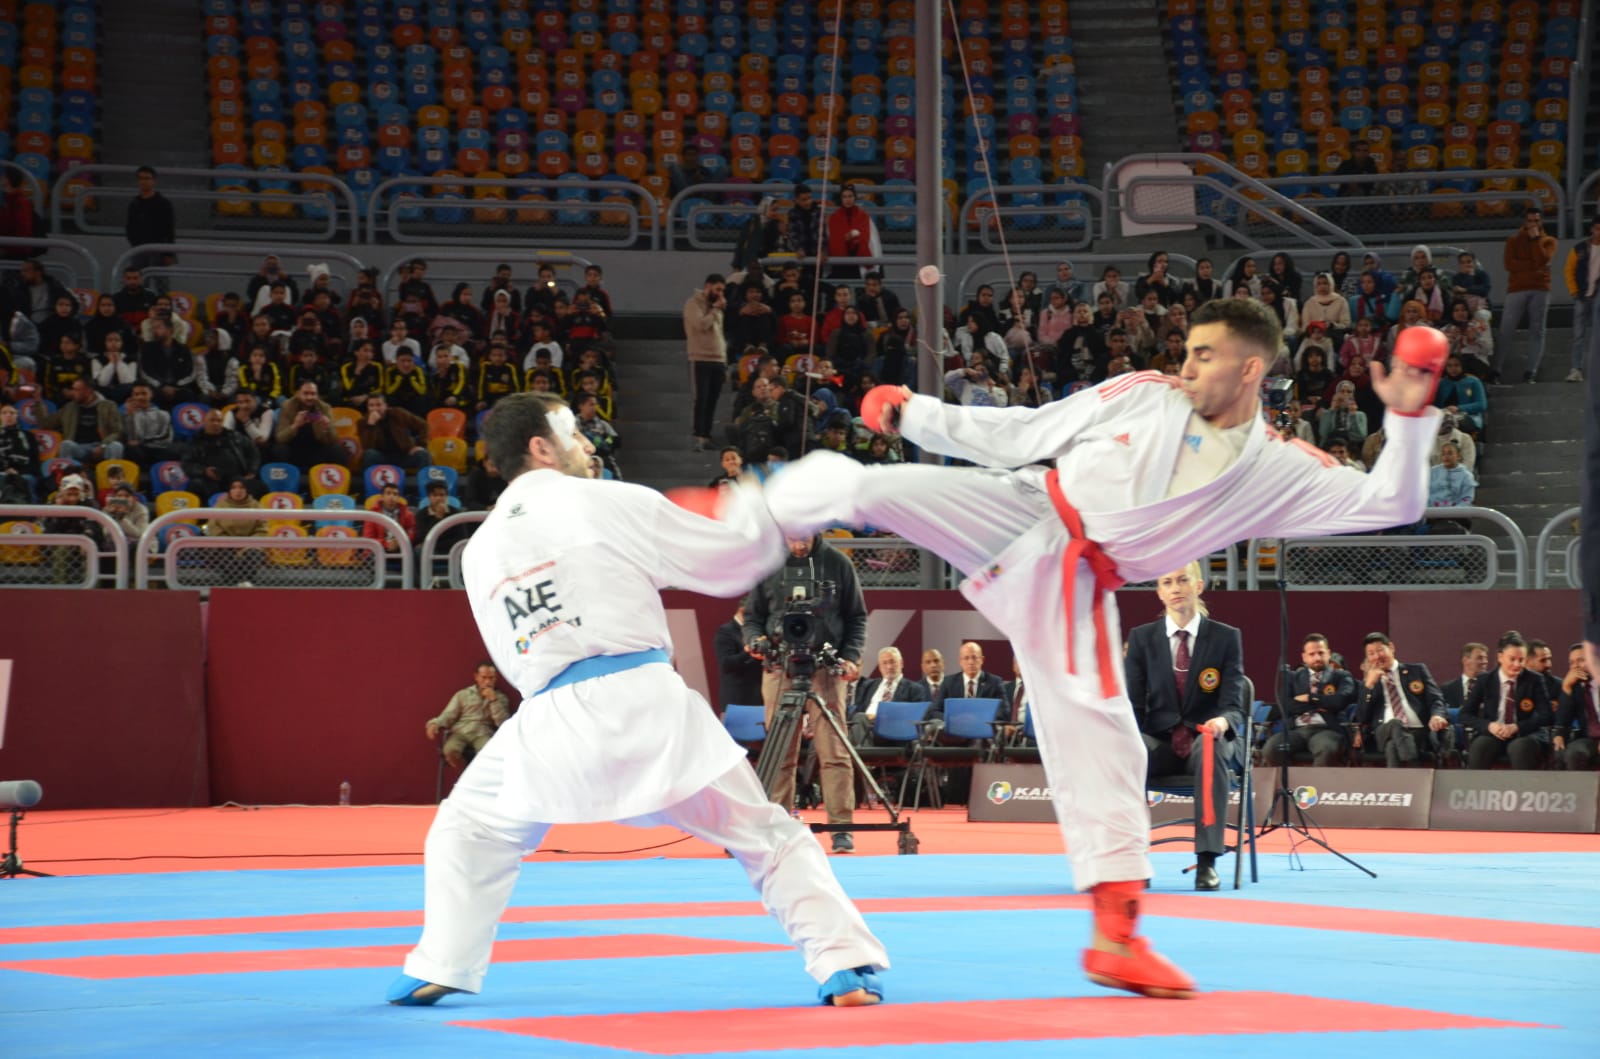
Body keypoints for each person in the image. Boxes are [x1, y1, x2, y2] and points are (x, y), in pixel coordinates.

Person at [759, 297, 1445, 999]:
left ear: (1251, 368)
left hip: (1079, 578)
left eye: (1204, 355)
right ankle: (732, 523)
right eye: (1186, 351)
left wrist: (1409, 417)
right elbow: (1027, 429)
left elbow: (1391, 504)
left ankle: (1117, 937)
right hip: (1024, 502)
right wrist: (914, 414)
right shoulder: (1145, 392)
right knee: (867, 484)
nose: (1185, 367)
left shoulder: (1277, 467)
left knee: (1108, 737)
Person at [388, 391, 887, 1009]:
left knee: (468, 829)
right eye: (574, 433)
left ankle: (442, 961)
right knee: (766, 835)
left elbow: (510, 653)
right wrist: (767, 503)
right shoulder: (604, 500)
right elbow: (730, 559)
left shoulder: (480, 547)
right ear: (541, 447)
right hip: (642, 702)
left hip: (547, 717)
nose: (588, 444)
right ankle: (842, 963)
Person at [743, 532, 868, 853]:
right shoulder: (768, 563)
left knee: (834, 751)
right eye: (791, 537)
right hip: (780, 664)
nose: (798, 545)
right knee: (780, 752)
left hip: (826, 666)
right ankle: (777, 829)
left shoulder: (838, 563)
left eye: (803, 537)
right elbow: (752, 617)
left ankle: (841, 828)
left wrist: (850, 656)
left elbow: (856, 617)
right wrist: (755, 640)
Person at [1124, 562, 1245, 891]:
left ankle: (1206, 861)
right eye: (1167, 582)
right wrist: (1125, 740)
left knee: (1210, 748)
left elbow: (1233, 705)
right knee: (1126, 752)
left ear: (1199, 586)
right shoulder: (1141, 639)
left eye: (1182, 580)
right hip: (1160, 742)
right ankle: (1132, 858)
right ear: (1159, 592)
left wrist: (1222, 721)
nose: (1175, 587)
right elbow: (1133, 706)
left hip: (1208, 739)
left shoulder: (1225, 637)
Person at [1459, 630, 1552, 770]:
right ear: (1500, 657)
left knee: (1521, 747)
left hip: (1525, 734)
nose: (1517, 664)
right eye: (1512, 659)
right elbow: (1465, 714)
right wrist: (1489, 726)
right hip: (1494, 734)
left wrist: (1516, 727)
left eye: (1521, 660)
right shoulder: (1485, 680)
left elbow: (1547, 715)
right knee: (1480, 747)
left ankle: (1523, 784)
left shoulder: (1535, 680)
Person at [1263, 633, 1357, 767]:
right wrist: (1323, 703)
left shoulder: (1341, 676)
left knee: (1327, 749)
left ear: (1329, 653)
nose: (1317, 658)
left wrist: (1309, 698)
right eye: (1312, 654)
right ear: (1304, 657)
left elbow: (1340, 701)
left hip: (1326, 730)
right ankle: (1291, 780)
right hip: (1297, 731)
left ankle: (1317, 782)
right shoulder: (1293, 678)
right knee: (1272, 748)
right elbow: (1286, 706)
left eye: (1321, 653)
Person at [1496, 208, 1557, 383]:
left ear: (1541, 222)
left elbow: (1543, 260)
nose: (1533, 224)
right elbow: (1509, 264)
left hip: (1540, 289)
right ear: (1525, 222)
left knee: (1537, 331)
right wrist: (1534, 266)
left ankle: (1531, 371)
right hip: (1516, 289)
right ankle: (1495, 370)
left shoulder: (1549, 241)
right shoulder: (1513, 241)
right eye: (1530, 220)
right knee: (1506, 330)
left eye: (1536, 221)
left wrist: (1536, 241)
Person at [427, 662, 512, 770]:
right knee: (450, 751)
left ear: (496, 678)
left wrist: (493, 700)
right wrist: (435, 723)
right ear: (476, 677)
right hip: (461, 732)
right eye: (484, 677)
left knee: (488, 753)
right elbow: (448, 714)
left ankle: (478, 775)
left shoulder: (501, 698)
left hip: (483, 733)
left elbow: (503, 723)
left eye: (491, 678)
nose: (487, 681)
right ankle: (466, 774)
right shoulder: (463, 694)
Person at [684, 274, 727, 451]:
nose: (720, 294)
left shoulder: (717, 308)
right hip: (700, 357)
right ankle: (698, 436)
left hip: (718, 359)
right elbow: (701, 325)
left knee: (712, 399)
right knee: (701, 399)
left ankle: (707, 435)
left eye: (722, 291)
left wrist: (724, 360)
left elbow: (720, 335)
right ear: (708, 286)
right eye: (717, 289)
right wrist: (715, 310)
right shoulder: (693, 304)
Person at [1563, 215, 1600, 384]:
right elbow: (1569, 270)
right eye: (1597, 229)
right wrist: (1574, 291)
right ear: (1592, 229)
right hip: (1582, 296)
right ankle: (1576, 369)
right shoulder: (1579, 249)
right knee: (1578, 334)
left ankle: (1594, 369)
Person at [124, 166, 176, 280]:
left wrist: (169, 253)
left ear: (154, 181)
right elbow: (129, 226)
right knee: (140, 281)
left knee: (160, 282)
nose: (144, 181)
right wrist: (135, 243)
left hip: (158, 249)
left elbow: (170, 229)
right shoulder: (134, 203)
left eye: (147, 178)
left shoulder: (164, 203)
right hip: (139, 249)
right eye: (141, 178)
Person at [1553, 644, 1598, 770]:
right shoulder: (1576, 687)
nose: (1575, 666)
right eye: (1572, 663)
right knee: (1572, 754)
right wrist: (1566, 687)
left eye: (1581, 660)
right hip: (1589, 738)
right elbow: (1563, 721)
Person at [714, 604, 764, 714]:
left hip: (761, 697)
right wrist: (747, 653)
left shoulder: (760, 631)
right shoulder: (725, 631)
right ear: (743, 610)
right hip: (739, 701)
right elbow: (726, 664)